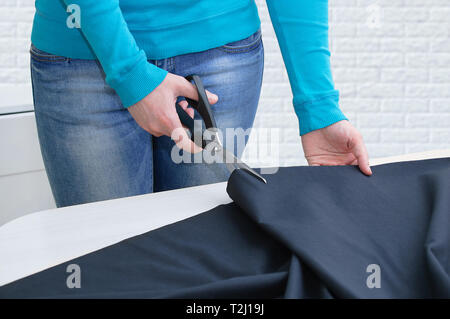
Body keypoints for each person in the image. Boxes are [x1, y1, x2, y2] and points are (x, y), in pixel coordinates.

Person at [30, 0, 371, 208]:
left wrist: (319, 108)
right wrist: (129, 73)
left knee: (199, 254)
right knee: (103, 264)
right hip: (84, 57)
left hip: (219, 59)